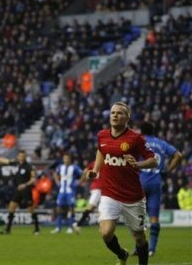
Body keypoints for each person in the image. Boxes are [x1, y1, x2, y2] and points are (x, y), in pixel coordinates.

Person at [87, 102, 158, 265]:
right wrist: (96, 170)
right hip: (110, 194)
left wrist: (138, 164)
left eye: (119, 113)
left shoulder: (135, 138)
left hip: (133, 197)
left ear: (127, 118)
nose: (115, 115)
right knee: (105, 233)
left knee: (139, 238)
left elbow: (153, 160)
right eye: (113, 113)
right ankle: (122, 254)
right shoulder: (102, 135)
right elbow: (101, 150)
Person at [133, 122, 183, 256]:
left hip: (140, 182)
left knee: (138, 217)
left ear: (142, 131)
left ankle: (139, 247)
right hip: (156, 182)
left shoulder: (139, 141)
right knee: (154, 217)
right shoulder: (162, 143)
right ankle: (151, 249)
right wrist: (168, 170)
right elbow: (178, 155)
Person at [0, 150, 40, 235]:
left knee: (31, 210)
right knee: (11, 207)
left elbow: (33, 179)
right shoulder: (16, 163)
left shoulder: (28, 167)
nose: (22, 158)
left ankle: (37, 229)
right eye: (20, 156)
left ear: (25, 157)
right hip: (18, 190)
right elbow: (6, 161)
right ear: (18, 157)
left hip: (26, 190)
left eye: (23, 156)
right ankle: (8, 229)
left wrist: (25, 185)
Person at [50, 153, 82, 234]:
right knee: (58, 209)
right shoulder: (60, 167)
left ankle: (70, 228)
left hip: (70, 191)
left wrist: (79, 182)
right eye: (64, 159)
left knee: (71, 209)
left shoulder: (74, 167)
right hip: (61, 191)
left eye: (67, 158)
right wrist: (57, 182)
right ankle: (58, 228)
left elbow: (83, 173)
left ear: (70, 159)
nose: (66, 160)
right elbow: (55, 174)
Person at [73, 160, 102, 234]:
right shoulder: (106, 162)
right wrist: (82, 180)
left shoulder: (94, 162)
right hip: (98, 188)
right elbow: (85, 171)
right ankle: (78, 224)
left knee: (101, 208)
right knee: (91, 207)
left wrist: (82, 180)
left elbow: (85, 171)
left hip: (102, 188)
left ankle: (101, 226)